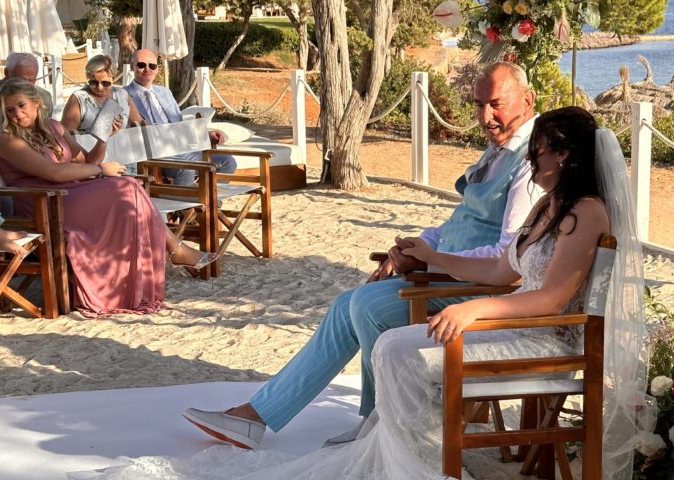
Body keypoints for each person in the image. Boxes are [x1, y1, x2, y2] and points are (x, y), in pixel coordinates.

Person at [77, 107, 646, 480]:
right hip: (515, 319)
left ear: (563, 154)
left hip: (547, 339)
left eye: (538, 151)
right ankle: (405, 458)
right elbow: (503, 270)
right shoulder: (551, 208)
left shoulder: (586, 214)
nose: (530, 159)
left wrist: (473, 309)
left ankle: (420, 464)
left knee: (397, 347)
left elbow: (550, 299)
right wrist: (433, 258)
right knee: (392, 344)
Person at [181, 61, 544, 449]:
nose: (485, 117)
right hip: (447, 274)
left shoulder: (533, 163)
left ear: (527, 100)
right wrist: (415, 246)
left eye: (495, 104)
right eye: (478, 105)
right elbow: (462, 221)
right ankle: (257, 417)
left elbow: (509, 255)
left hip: (479, 289)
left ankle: (382, 422)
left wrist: (429, 260)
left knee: (369, 305)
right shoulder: (500, 149)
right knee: (346, 304)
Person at [0, 79, 220, 317]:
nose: (17, 114)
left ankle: (169, 254)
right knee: (127, 187)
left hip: (70, 192)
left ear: (36, 103)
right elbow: (54, 173)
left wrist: (104, 137)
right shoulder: (7, 141)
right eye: (10, 110)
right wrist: (102, 170)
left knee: (129, 186)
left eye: (21, 106)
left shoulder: (53, 128)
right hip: (43, 203)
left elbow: (87, 161)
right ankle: (174, 249)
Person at [124, 48, 236, 185]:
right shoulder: (123, 95)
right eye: (141, 65)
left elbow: (180, 126)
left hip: (180, 148)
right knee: (187, 169)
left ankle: (212, 196)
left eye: (152, 66)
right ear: (132, 67)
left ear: (157, 69)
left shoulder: (164, 92)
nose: (147, 69)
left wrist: (205, 134)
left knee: (228, 162)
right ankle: (180, 200)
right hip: (154, 153)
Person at [61, 54, 144, 134]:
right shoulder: (78, 99)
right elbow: (65, 136)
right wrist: (104, 132)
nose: (99, 88)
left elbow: (140, 125)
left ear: (113, 78)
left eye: (105, 83)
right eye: (93, 82)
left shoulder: (122, 95)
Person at [0, 53, 53, 139]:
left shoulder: (45, 97)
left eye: (31, 80)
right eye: (21, 80)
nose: (26, 85)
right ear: (7, 73)